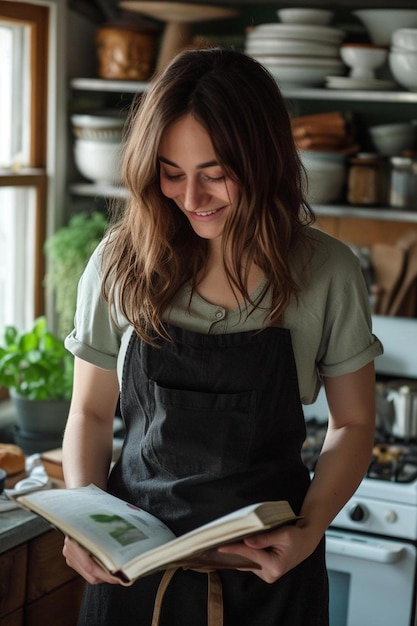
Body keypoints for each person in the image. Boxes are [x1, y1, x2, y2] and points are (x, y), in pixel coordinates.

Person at [62, 47, 383, 626]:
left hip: (268, 583)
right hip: (133, 579)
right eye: (171, 173)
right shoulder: (118, 261)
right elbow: (88, 412)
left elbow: (354, 424)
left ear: (263, 164)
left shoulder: (328, 271)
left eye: (215, 175)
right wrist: (84, 526)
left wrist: (309, 531)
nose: (191, 199)